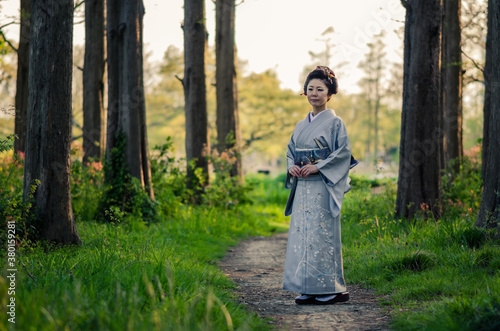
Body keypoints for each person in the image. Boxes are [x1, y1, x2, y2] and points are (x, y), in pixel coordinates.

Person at [283, 66, 355, 305]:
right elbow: (290, 152)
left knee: (322, 236)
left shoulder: (335, 123)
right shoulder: (300, 125)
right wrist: (292, 166)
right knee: (304, 236)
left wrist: (319, 166)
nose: (314, 93)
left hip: (323, 186)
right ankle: (308, 287)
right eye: (310, 88)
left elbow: (343, 154)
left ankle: (331, 289)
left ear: (329, 93)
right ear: (305, 92)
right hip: (302, 186)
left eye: (320, 89)